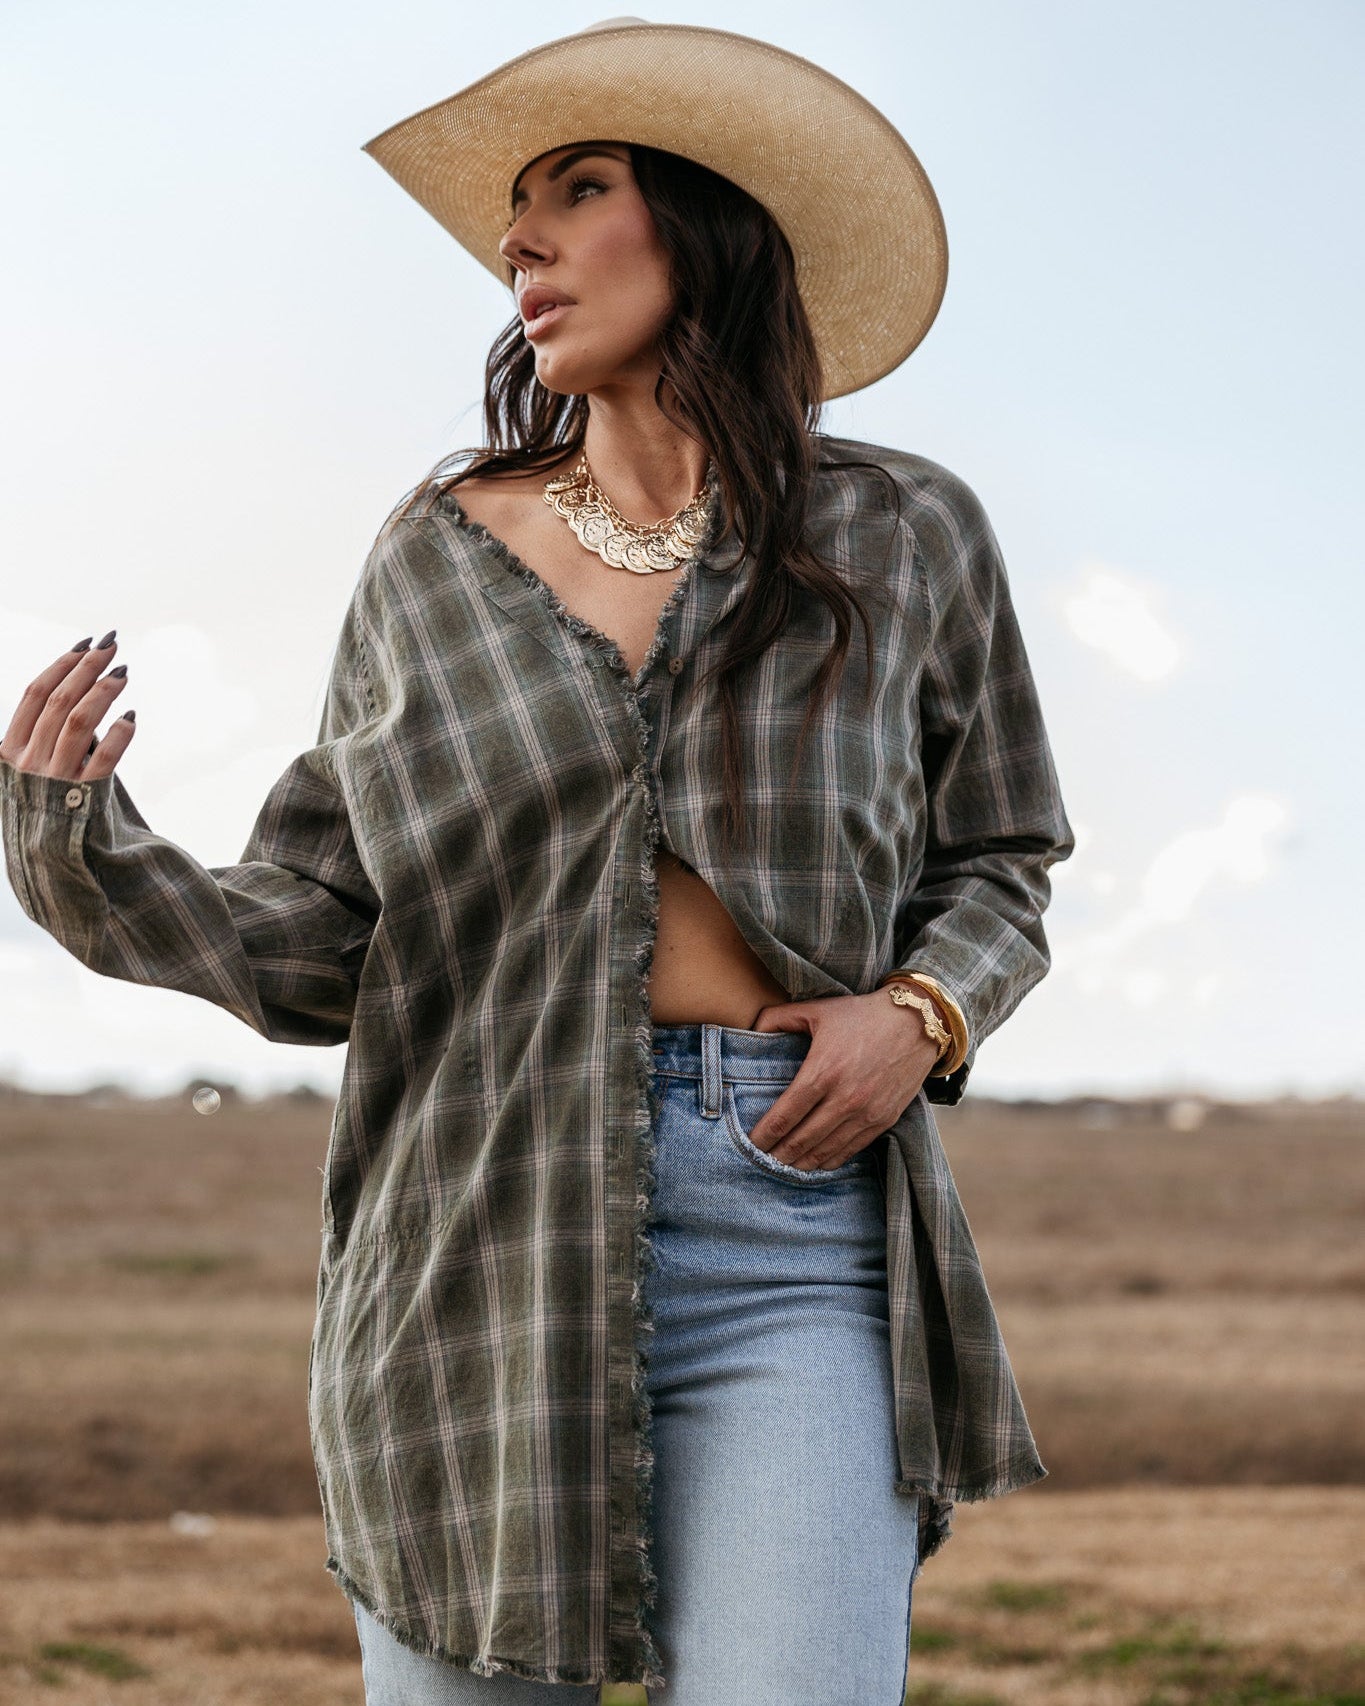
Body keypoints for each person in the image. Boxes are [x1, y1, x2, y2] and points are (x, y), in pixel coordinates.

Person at [0, 18, 1074, 1705]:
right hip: (473, 1222)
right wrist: (81, 845)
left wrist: (922, 1012)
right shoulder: (434, 559)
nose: (520, 241)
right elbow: (320, 937)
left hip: (793, 1225)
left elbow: (1003, 851)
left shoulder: (903, 530)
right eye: (518, 211)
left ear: (708, 221)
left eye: (578, 189)